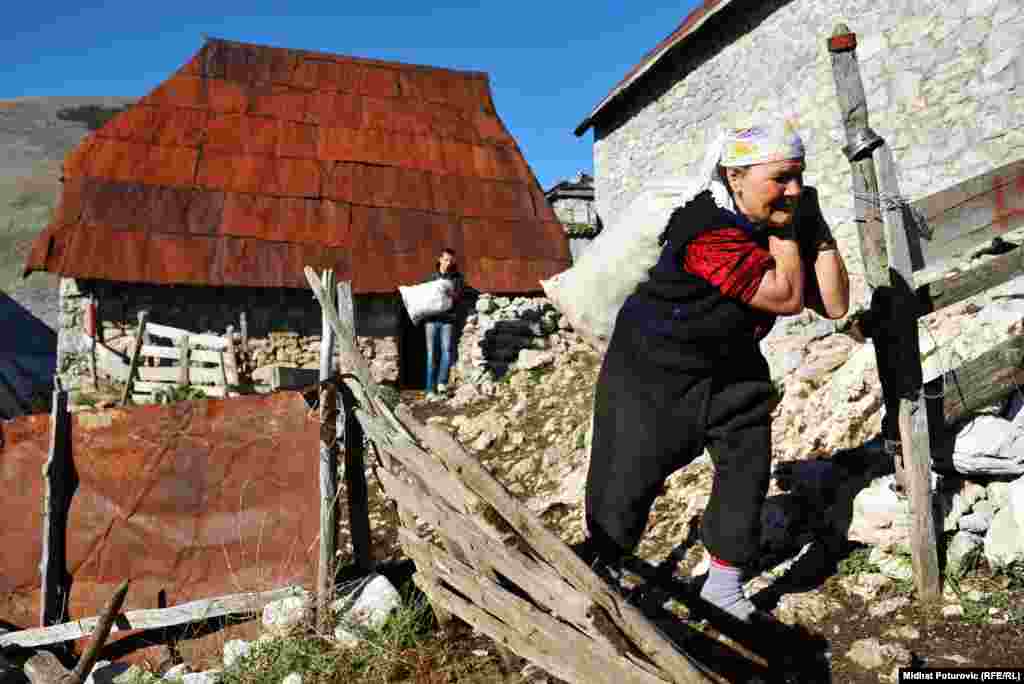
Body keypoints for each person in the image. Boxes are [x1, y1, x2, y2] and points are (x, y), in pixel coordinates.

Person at [579, 119, 850, 623]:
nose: (795, 189)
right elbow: (786, 297)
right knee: (626, 482)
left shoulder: (784, 213)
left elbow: (833, 304)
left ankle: (722, 587)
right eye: (781, 178)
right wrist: (786, 229)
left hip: (730, 367)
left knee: (747, 468)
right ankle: (602, 578)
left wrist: (816, 230)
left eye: (799, 175)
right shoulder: (705, 230)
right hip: (653, 371)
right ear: (735, 177)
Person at [422, 248, 465, 399]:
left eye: (450, 261)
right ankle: (429, 389)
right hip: (431, 321)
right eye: (446, 260)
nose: (448, 263)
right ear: (440, 260)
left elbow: (459, 297)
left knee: (446, 351)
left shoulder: (456, 278)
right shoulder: (430, 278)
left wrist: (450, 292)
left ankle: (441, 383)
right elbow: (424, 297)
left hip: (447, 320)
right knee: (431, 354)